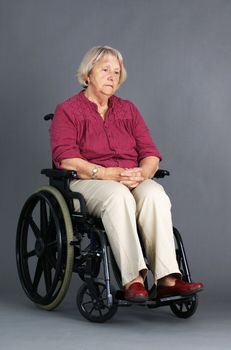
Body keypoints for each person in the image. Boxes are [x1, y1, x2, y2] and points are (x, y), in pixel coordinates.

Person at [50, 45, 203, 302]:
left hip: (129, 177)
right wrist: (103, 172)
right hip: (88, 181)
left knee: (155, 193)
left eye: (117, 72)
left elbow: (150, 152)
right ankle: (133, 280)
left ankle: (167, 279)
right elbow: (65, 159)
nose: (112, 76)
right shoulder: (68, 110)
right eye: (105, 69)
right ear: (88, 75)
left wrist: (143, 172)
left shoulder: (128, 109)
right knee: (118, 195)